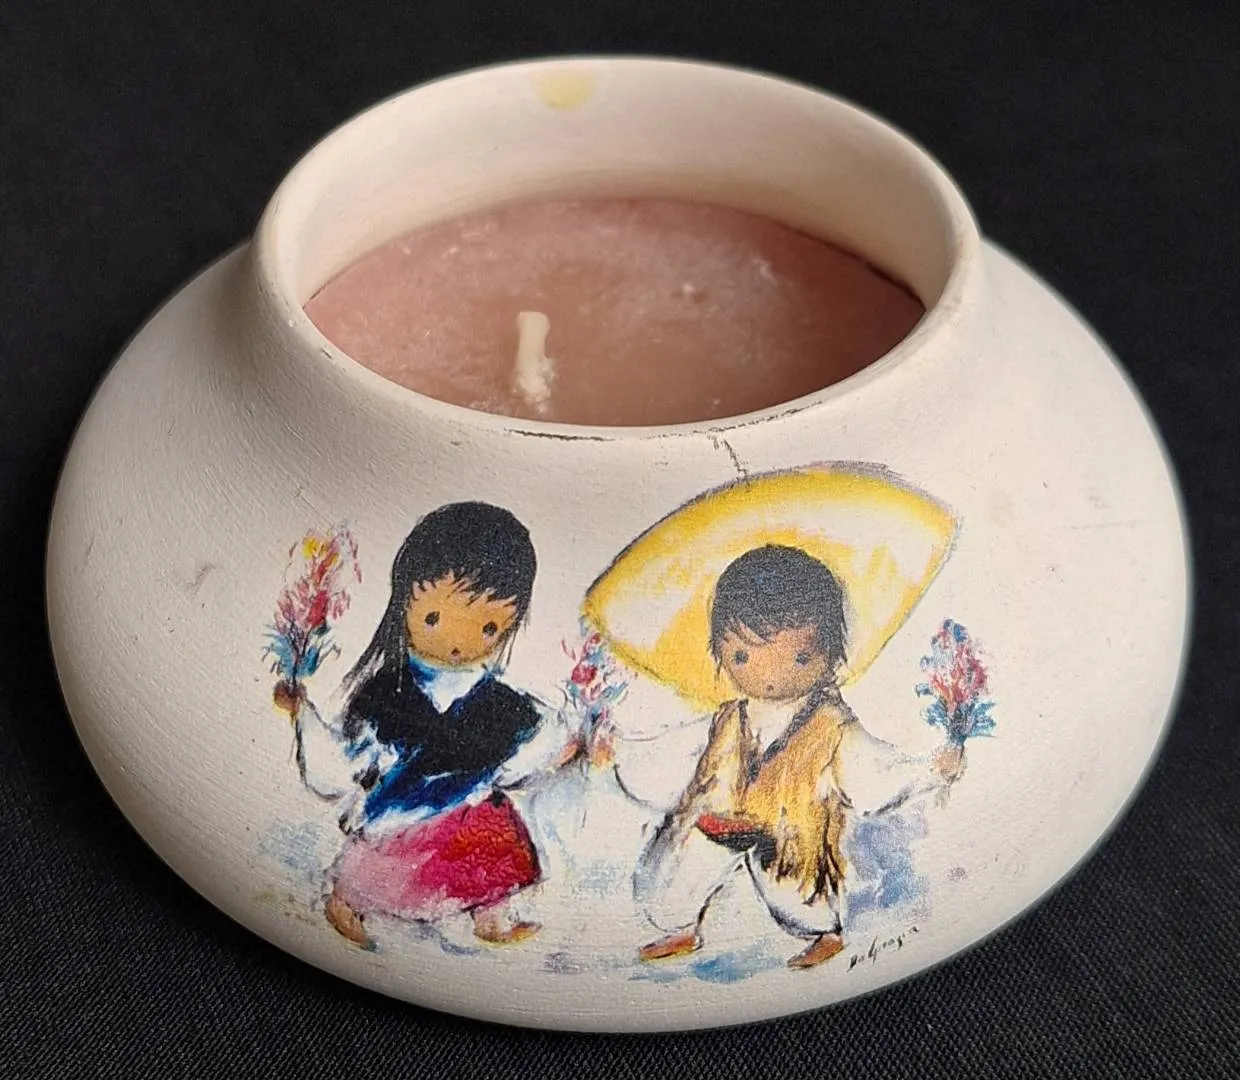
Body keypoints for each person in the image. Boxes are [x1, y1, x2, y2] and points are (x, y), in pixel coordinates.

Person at [633, 544, 963, 969]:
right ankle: (681, 925)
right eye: (743, 656)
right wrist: (614, 750)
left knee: (798, 892)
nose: (769, 676)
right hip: (725, 818)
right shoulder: (728, 718)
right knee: (675, 866)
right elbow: (670, 752)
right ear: (720, 650)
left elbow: (874, 771)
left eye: (799, 657)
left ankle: (827, 933)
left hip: (791, 831)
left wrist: (932, 769)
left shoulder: (830, 725)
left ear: (830, 654)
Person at [274, 502, 578, 948]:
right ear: (404, 605)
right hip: (402, 812)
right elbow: (343, 762)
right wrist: (303, 714)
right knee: (378, 864)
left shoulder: (499, 700)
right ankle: (347, 901)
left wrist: (559, 747)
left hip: (469, 807)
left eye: (489, 627)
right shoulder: (385, 693)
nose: (458, 641)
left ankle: (490, 912)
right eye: (434, 618)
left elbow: (519, 757)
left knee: (495, 835)